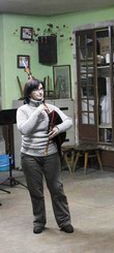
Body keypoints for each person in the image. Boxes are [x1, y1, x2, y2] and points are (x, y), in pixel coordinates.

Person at [16, 78, 74, 234]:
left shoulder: (50, 107)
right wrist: (38, 111)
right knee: (36, 191)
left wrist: (58, 128)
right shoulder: (23, 111)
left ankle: (64, 221)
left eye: (41, 88)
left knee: (57, 189)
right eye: (36, 89)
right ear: (29, 93)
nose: (40, 92)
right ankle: (39, 221)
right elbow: (24, 129)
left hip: (50, 154)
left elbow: (69, 121)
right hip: (29, 156)